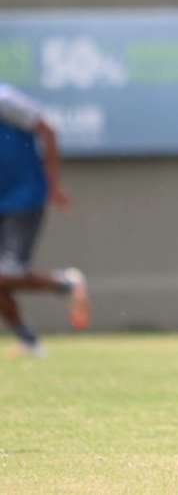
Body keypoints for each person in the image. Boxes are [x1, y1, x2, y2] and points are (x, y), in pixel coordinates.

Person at [0, 82, 91, 358]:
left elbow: (48, 129)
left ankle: (66, 283)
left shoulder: (4, 100)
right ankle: (29, 342)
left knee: (7, 273)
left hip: (23, 198)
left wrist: (54, 185)